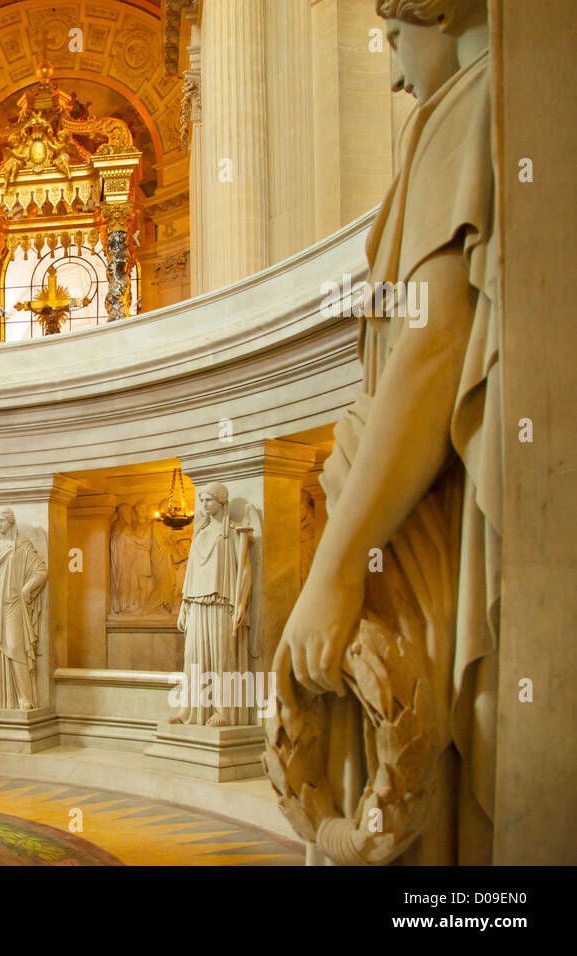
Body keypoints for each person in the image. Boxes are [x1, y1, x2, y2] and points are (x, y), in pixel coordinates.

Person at [271, 0, 498, 865]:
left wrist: (333, 571)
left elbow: (432, 353)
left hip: (415, 515)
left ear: (436, 9)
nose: (395, 70)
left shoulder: (469, 104)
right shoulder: (469, 107)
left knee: (433, 804)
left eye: (397, 37)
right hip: (409, 509)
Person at [171, 484, 252, 726]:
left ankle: (222, 711)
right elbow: (191, 570)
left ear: (221, 502)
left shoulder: (233, 533)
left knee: (221, 657)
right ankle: (191, 709)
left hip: (220, 602)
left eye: (209, 500)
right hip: (196, 601)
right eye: (202, 500)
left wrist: (242, 603)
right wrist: (184, 603)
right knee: (193, 657)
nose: (204, 504)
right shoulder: (199, 533)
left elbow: (244, 569)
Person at [0, 508, 47, 710]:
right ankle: (0, 698)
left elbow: (41, 571)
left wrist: (27, 587)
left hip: (12, 602)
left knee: (15, 648)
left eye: (2, 521)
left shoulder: (22, 546)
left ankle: (24, 697)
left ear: (10, 522)